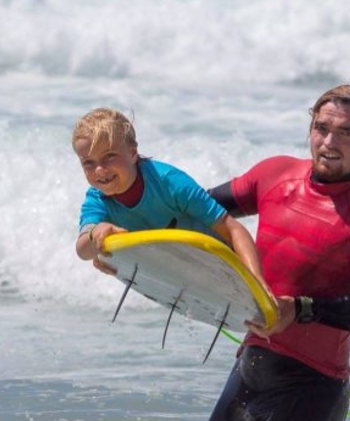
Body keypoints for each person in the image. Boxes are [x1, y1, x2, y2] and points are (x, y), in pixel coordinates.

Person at [199, 85, 350, 421]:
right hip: (249, 371)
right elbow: (193, 210)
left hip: (313, 389)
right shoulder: (274, 175)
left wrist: (301, 309)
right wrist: (118, 241)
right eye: (321, 128)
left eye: (346, 132)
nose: (329, 142)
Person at [72, 107, 267, 293]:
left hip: (227, 262)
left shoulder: (169, 182)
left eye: (109, 156)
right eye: (88, 162)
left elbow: (233, 229)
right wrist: (95, 236)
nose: (99, 170)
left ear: (132, 153)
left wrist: (257, 282)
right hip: (180, 274)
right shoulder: (97, 200)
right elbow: (82, 250)